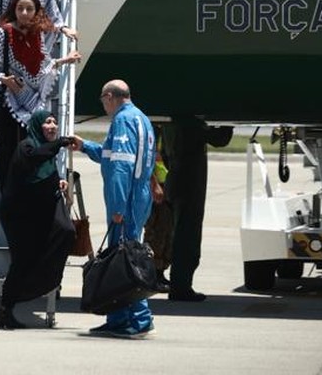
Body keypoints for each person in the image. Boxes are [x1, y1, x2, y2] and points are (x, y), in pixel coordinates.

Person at [0, 0, 81, 185]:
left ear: (36, 11)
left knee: (28, 150)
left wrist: (65, 60)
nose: (25, 13)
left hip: (29, 104)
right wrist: (3, 79)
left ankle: (22, 196)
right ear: (14, 10)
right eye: (20, 8)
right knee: (9, 151)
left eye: (29, 9)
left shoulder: (36, 35)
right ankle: (7, 199)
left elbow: (43, 68)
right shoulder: (2, 34)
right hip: (6, 104)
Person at [72, 79, 156, 339]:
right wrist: (85, 146)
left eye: (102, 99)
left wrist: (118, 205)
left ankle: (140, 319)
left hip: (127, 199)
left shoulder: (122, 121)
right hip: (139, 195)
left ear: (110, 96)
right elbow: (111, 154)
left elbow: (121, 166)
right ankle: (118, 317)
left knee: (127, 261)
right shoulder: (141, 118)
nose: (103, 105)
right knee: (122, 256)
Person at [0, 108, 76, 330]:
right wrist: (59, 143)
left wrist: (58, 182)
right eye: (47, 122)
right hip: (17, 216)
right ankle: (4, 312)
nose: (52, 126)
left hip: (32, 214)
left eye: (54, 122)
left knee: (64, 233)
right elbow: (34, 159)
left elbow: (45, 171)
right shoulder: (27, 146)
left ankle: (36, 287)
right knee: (21, 262)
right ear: (38, 126)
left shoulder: (49, 153)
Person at [163, 116, 233, 301]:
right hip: (189, 185)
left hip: (175, 182)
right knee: (188, 237)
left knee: (180, 234)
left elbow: (164, 154)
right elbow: (220, 139)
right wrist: (229, 119)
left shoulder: (169, 125)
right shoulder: (191, 124)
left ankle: (179, 284)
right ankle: (181, 287)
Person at [142, 125, 173, 287]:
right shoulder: (150, 126)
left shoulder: (163, 127)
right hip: (156, 186)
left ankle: (159, 272)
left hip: (166, 184)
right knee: (155, 230)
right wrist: (154, 184)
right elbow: (146, 158)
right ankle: (151, 273)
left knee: (166, 230)